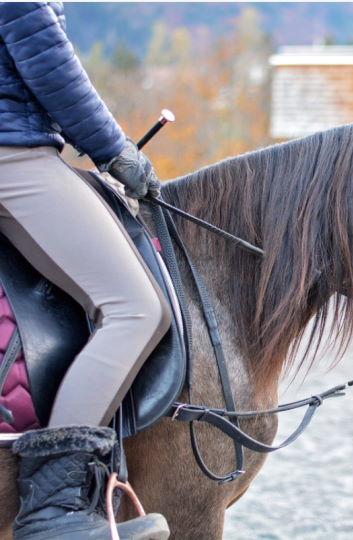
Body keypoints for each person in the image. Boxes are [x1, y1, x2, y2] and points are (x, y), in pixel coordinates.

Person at [0, 3, 171, 539]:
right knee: (136, 309)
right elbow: (49, 62)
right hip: (11, 156)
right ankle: (53, 509)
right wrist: (114, 151)